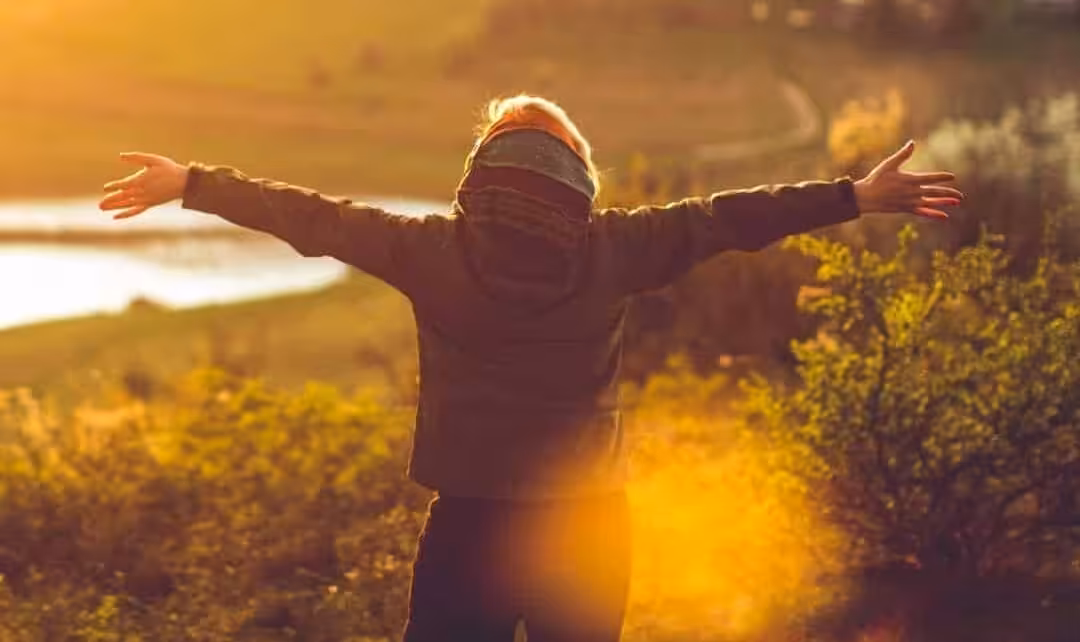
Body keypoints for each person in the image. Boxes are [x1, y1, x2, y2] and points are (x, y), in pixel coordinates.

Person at [99, 94, 963, 642]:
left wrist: (194, 183)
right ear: (577, 182)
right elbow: (730, 218)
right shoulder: (618, 247)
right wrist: (854, 195)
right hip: (589, 529)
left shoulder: (428, 250)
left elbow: (315, 218)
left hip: (470, 526)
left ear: (479, 182)